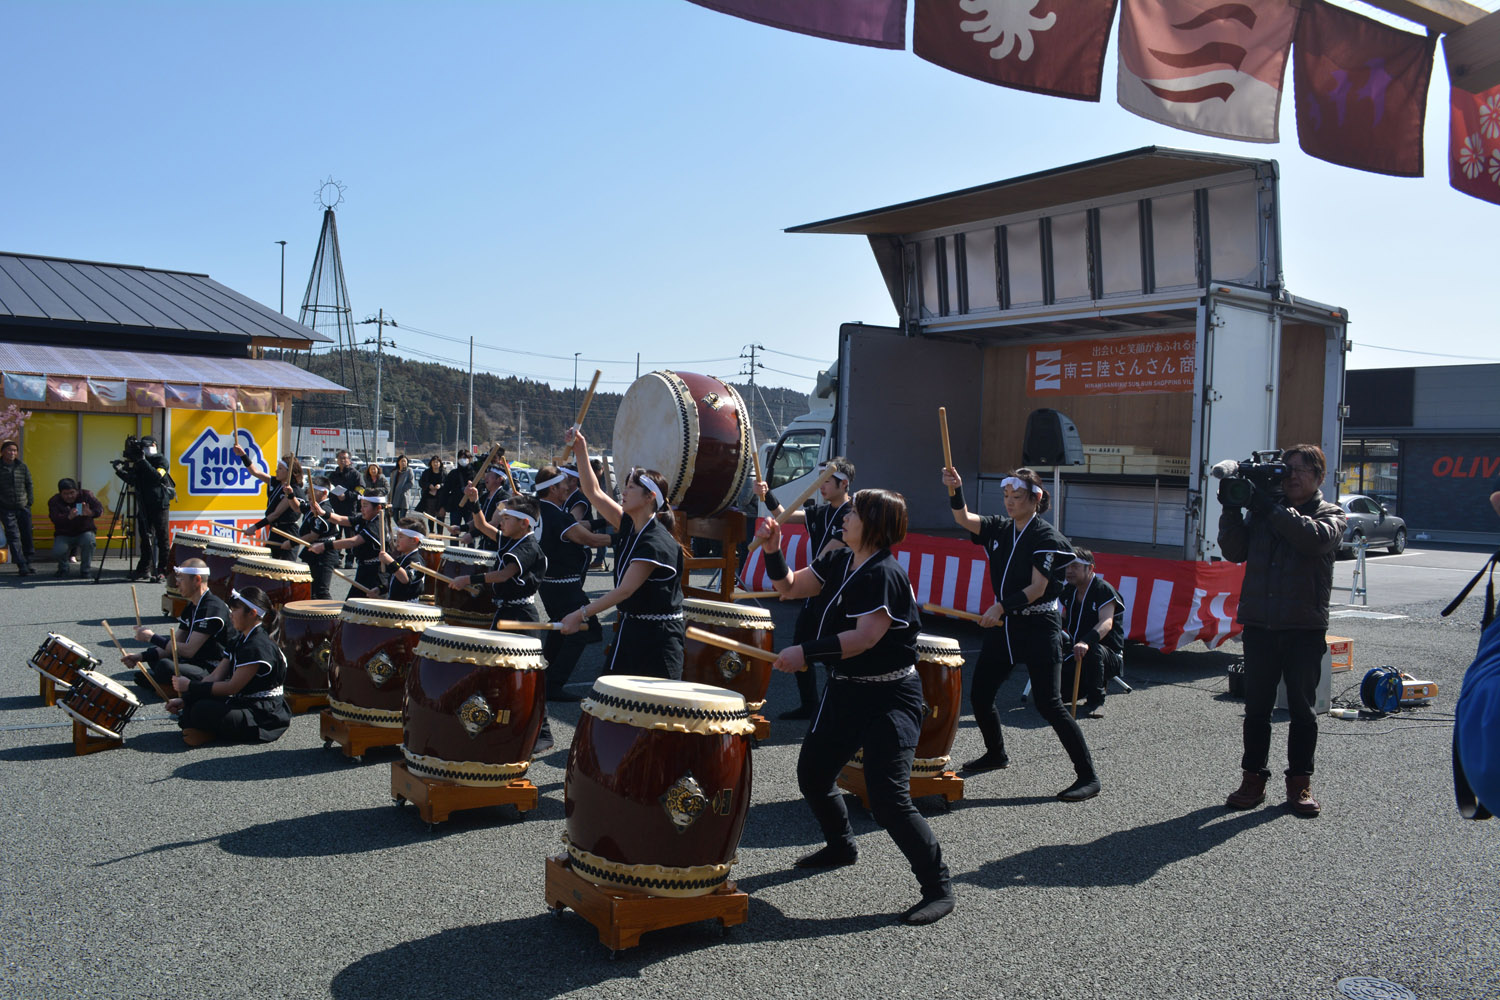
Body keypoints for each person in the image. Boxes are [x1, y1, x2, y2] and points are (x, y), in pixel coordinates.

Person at [755, 487, 953, 925]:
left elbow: (865, 637)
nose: (844, 517)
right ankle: (841, 845)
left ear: (875, 525)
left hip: (891, 696)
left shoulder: (883, 574)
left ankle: (938, 887)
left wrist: (806, 652)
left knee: (888, 799)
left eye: (854, 513)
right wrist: (773, 550)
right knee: (813, 776)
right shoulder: (839, 560)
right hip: (845, 689)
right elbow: (788, 587)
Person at [941, 465, 1100, 802]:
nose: (1009, 502)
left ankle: (1088, 776)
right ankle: (995, 753)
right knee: (981, 694)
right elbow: (963, 518)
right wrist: (956, 489)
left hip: (1039, 625)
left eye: (1016, 496)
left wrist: (999, 607)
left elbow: (1038, 587)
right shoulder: (1000, 527)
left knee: (1049, 703)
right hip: (1007, 626)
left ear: (1035, 499)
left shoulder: (1046, 537)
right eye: (1006, 496)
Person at [1219, 444, 1345, 817]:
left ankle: (1300, 784)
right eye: (1285, 469)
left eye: (1300, 469)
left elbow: (1313, 539)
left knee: (1302, 710)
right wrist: (1231, 508)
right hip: (1260, 624)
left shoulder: (1331, 514)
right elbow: (1234, 551)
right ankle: (1252, 780)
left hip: (1304, 627)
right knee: (1256, 708)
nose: (1291, 476)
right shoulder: (1263, 511)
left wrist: (1269, 507)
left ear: (1319, 476)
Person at [559, 429, 684, 680]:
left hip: (658, 639)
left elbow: (625, 590)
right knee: (614, 699)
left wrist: (580, 614)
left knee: (649, 703)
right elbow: (593, 491)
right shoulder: (630, 525)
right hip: (632, 628)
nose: (623, 493)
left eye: (630, 488)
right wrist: (581, 449)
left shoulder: (656, 541)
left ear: (649, 497)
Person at [452, 494, 553, 754]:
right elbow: (482, 525)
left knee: (528, 675)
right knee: (497, 671)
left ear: (524, 523)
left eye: (507, 518)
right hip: (507, 613)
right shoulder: (512, 539)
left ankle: (543, 733)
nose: (502, 522)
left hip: (522, 617)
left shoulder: (528, 547)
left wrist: (469, 579)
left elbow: (505, 574)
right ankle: (500, 724)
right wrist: (474, 502)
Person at [754, 457, 854, 719]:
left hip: (838, 594)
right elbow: (786, 515)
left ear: (844, 484)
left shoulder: (852, 515)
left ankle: (837, 709)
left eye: (827, 480)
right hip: (816, 589)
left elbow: (826, 557)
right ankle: (809, 705)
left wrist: (796, 585)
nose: (821, 485)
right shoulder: (822, 512)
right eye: (820, 480)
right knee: (801, 645)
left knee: (835, 651)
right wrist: (767, 495)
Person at [167, 585, 291, 747]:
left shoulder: (257, 645)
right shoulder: (239, 639)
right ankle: (206, 729)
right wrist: (186, 698)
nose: (230, 615)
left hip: (263, 714)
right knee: (193, 705)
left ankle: (209, 732)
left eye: (235, 610)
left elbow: (232, 687)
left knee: (200, 710)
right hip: (243, 702)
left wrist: (190, 686)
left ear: (252, 613)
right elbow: (215, 676)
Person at [534, 465, 611, 700]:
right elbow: (590, 540)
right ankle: (553, 685)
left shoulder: (539, 510)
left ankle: (543, 677)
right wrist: (626, 536)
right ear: (552, 489)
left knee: (560, 627)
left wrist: (605, 522)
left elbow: (579, 526)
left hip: (550, 583)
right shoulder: (557, 515)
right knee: (577, 632)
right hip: (563, 585)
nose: (568, 487)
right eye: (563, 484)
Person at [123, 557, 232, 688]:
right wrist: (140, 657)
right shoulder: (192, 605)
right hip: (195, 661)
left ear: (197, 580)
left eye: (181, 579)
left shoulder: (212, 608)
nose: (176, 583)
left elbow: (189, 650)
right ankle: (163, 683)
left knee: (165, 666)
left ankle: (165, 684)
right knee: (154, 655)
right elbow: (175, 644)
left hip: (214, 669)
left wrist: (152, 637)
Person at [1059, 547, 1125, 719]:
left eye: (1075, 566)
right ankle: (1083, 687)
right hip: (1077, 651)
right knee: (1055, 694)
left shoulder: (1103, 590)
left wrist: (1085, 641)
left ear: (1090, 568)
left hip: (1107, 654)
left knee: (1092, 649)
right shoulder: (1069, 591)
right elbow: (1064, 618)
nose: (1069, 571)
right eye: (1067, 566)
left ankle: (1096, 700)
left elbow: (1106, 622)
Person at [117, 435, 174, 583]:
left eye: (147, 446)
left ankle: (163, 570)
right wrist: (120, 471)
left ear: (155, 445)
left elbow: (156, 476)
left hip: (159, 504)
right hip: (143, 504)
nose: (145, 450)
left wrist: (143, 461)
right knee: (145, 538)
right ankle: (144, 569)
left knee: (162, 538)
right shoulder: (139, 462)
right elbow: (133, 480)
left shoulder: (161, 461)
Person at [308, 493, 387, 597]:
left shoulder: (377, 523)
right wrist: (322, 513)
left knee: (364, 605)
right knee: (351, 604)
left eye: (365, 506)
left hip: (376, 573)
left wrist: (324, 546)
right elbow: (342, 520)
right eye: (361, 505)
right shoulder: (366, 518)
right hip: (364, 570)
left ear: (378, 508)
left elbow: (353, 541)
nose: (361, 509)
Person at [234, 447, 303, 561]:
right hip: (275, 530)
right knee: (269, 564)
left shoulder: (293, 490)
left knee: (285, 567)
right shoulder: (276, 482)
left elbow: (276, 514)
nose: (276, 471)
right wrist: (243, 455)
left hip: (288, 533)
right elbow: (255, 472)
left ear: (289, 472)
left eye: (280, 469)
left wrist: (255, 527)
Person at [47, 478, 103, 576]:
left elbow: (99, 509)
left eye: (72, 493)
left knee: (89, 542)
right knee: (58, 551)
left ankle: (85, 570)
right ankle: (63, 568)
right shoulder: (54, 501)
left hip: (84, 531)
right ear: (60, 493)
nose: (69, 496)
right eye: (65, 494)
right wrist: (68, 517)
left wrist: (91, 513)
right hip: (64, 533)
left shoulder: (86, 495)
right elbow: (54, 518)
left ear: (77, 491)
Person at [297, 478, 339, 600]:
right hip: (314, 550)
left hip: (325, 552)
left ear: (324, 492)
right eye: (308, 490)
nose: (309, 494)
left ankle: (330, 613)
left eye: (313, 491)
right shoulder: (314, 506)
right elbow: (296, 507)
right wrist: (289, 495)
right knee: (312, 590)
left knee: (322, 591)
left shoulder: (325, 509)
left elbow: (313, 535)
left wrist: (292, 542)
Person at [0, 439, 35, 576]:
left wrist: (29, 502)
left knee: (27, 534)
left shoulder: (22, 466)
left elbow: (29, 484)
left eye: (14, 450)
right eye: (9, 450)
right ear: (3, 452)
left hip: (23, 506)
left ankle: (29, 561)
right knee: (13, 535)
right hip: (5, 507)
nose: (12, 453)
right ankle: (21, 564)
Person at [460, 464, 511, 550]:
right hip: (484, 543)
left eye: (490, 475)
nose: (485, 477)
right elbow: (478, 520)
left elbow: (494, 523)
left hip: (496, 547)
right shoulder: (485, 497)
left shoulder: (504, 500)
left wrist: (472, 535)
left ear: (499, 479)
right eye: (486, 474)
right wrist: (461, 528)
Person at [326, 450, 362, 567]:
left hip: (349, 510)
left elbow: (361, 491)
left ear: (349, 460)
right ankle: (336, 558)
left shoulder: (355, 474)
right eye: (340, 458)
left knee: (350, 536)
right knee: (336, 536)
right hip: (335, 509)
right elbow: (328, 489)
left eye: (345, 458)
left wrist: (346, 496)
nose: (342, 460)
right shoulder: (333, 475)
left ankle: (349, 559)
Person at [381, 517, 427, 602]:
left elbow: (405, 579)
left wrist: (390, 561)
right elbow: (393, 580)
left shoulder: (417, 562)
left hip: (409, 607)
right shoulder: (401, 559)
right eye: (397, 536)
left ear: (414, 540)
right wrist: (380, 589)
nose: (397, 540)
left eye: (401, 537)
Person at [442, 449, 476, 528]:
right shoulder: (453, 473)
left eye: (465, 458)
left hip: (470, 507)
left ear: (469, 459)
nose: (463, 460)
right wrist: (443, 506)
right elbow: (445, 490)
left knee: (470, 529)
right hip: (455, 506)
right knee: (454, 529)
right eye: (461, 458)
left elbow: (479, 489)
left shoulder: (474, 474)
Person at [417, 455, 446, 520]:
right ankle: (431, 527)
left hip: (440, 498)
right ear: (431, 463)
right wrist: (428, 485)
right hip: (429, 497)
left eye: (437, 462)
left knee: (440, 517)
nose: (435, 464)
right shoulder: (427, 472)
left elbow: (447, 483)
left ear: (440, 463)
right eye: (434, 462)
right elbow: (421, 482)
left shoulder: (443, 472)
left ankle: (440, 527)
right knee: (430, 518)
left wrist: (440, 485)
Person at [390, 454, 414, 522]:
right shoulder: (394, 472)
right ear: (398, 462)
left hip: (404, 496)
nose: (403, 463)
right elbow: (391, 484)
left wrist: (402, 489)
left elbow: (411, 483)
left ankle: (402, 528)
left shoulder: (409, 470)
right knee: (395, 517)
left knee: (402, 518)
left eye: (405, 461)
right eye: (402, 461)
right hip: (395, 496)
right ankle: (399, 527)